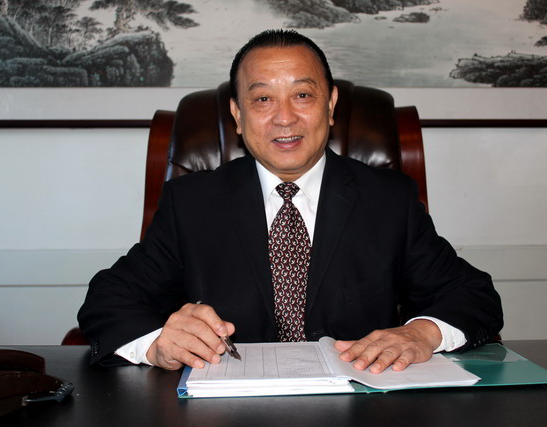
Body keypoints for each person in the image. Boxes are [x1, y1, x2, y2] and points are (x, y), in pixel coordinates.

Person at [78, 29, 503, 373]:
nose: (284, 118)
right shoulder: (192, 204)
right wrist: (157, 344)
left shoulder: (388, 200)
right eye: (263, 99)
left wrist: (422, 333)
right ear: (238, 115)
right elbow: (108, 299)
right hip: (228, 411)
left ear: (330, 105)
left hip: (360, 406)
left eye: (302, 95)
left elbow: (473, 295)